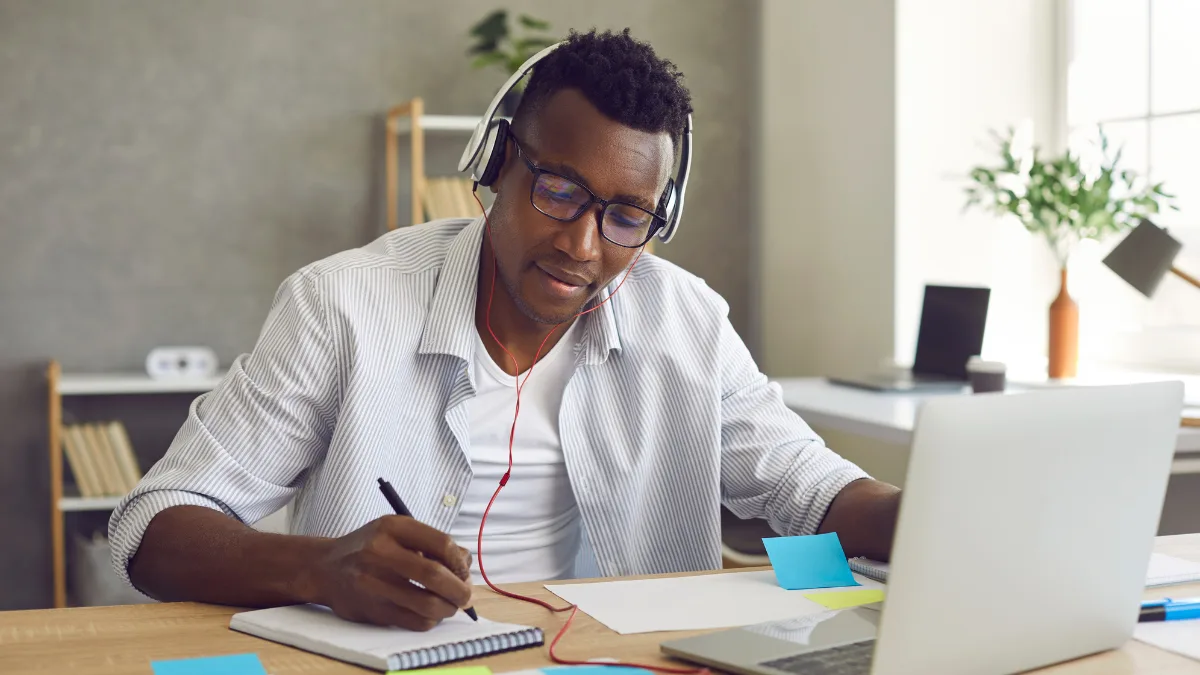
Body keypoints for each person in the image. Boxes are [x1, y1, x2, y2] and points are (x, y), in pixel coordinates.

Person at [109, 28, 900, 633]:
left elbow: (808, 488)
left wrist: (921, 514)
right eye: (558, 189)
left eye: (627, 217)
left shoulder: (687, 323)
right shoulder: (343, 304)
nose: (582, 245)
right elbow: (152, 526)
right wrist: (320, 567)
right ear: (494, 167)